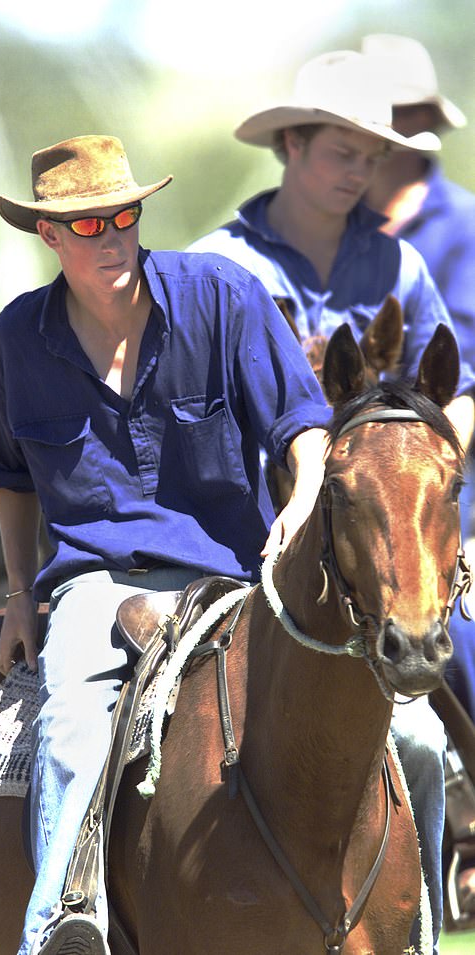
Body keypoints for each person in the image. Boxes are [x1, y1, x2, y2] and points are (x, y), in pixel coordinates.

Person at [0, 134, 332, 955]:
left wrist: (305, 502)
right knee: (68, 731)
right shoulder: (14, 342)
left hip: (236, 581)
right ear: (49, 237)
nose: (114, 238)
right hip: (95, 587)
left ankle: (408, 927)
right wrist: (20, 593)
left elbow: (305, 426)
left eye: (125, 215)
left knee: (396, 729)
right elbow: (5, 472)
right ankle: (63, 925)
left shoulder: (223, 296)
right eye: (89, 225)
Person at [186, 50, 475, 952]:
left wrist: (436, 502)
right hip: (236, 563)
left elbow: (447, 395)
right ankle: (90, 902)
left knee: (424, 745)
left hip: (368, 578)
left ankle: (419, 925)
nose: (359, 169)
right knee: (127, 729)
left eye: (370, 152)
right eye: (339, 150)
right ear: (291, 145)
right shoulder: (216, 269)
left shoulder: (395, 266)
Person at [361, 31, 475, 923]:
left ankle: (464, 835)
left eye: (391, 121)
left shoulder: (463, 230)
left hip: (455, 489)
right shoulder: (339, 235)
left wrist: (448, 499)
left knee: (461, 636)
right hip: (362, 496)